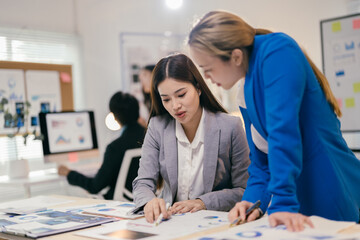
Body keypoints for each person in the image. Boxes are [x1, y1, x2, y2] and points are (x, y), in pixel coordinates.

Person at [188, 10, 360, 231]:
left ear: (236, 56)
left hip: (328, 188)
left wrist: (283, 203)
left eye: (208, 69)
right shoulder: (245, 88)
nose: (208, 78)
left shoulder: (277, 51)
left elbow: (283, 133)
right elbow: (261, 163)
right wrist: (251, 202)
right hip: (296, 197)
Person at [132, 53, 250, 223]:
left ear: (198, 88)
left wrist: (203, 202)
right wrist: (149, 202)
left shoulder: (230, 126)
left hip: (215, 221)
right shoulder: (157, 126)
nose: (175, 106)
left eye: (181, 95)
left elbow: (243, 188)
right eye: (166, 99)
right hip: (170, 222)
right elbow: (143, 182)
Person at [58, 92, 145, 200]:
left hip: (119, 203)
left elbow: (95, 186)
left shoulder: (115, 147)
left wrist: (69, 173)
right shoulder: (150, 137)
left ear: (115, 117)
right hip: (146, 198)